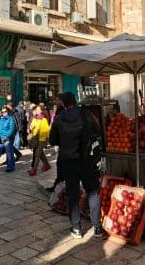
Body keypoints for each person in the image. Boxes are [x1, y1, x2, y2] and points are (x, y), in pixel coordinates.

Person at [49, 91, 105, 240]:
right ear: (75, 101)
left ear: (63, 103)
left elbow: (53, 140)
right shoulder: (86, 115)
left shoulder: (59, 119)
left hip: (68, 161)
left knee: (73, 194)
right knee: (93, 192)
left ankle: (76, 228)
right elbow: (98, 131)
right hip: (87, 160)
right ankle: (97, 228)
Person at [46, 93, 65, 193]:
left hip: (64, 145)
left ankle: (58, 187)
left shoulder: (60, 113)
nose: (55, 102)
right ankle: (59, 185)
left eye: (56, 100)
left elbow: (56, 131)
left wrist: (54, 141)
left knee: (61, 166)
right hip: (69, 145)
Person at [28, 105, 51, 176]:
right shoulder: (35, 119)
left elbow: (46, 130)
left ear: (42, 111)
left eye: (38, 109)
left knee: (37, 154)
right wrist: (31, 127)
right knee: (41, 154)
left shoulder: (44, 119)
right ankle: (47, 165)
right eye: (36, 109)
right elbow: (31, 126)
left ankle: (34, 170)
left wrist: (46, 140)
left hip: (41, 139)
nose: (37, 111)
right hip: (35, 139)